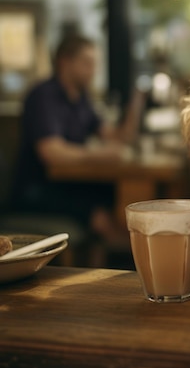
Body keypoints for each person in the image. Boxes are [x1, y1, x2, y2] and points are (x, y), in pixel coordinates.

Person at [12, 34, 144, 242]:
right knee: (98, 213)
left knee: (112, 196)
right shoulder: (43, 96)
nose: (93, 70)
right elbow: (52, 153)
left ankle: (110, 261)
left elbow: (116, 137)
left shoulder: (81, 98)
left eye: (94, 64)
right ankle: (131, 256)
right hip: (36, 189)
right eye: (87, 63)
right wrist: (100, 155)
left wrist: (136, 104)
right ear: (64, 62)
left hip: (65, 184)